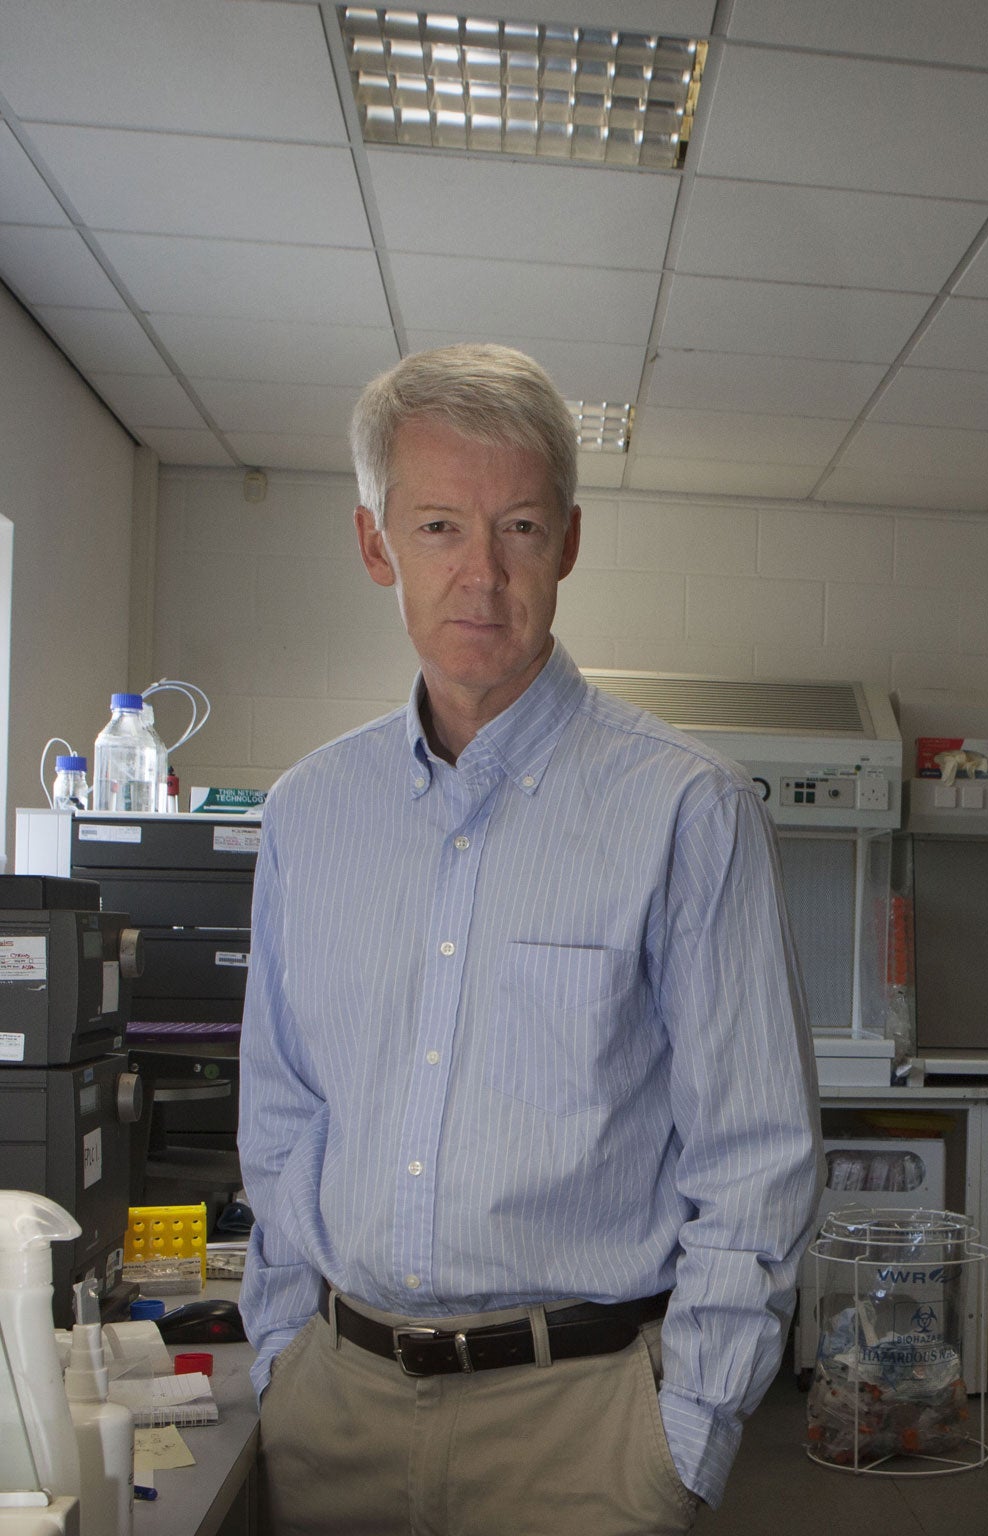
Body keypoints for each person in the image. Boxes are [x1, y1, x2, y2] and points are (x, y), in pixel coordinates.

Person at [238, 343, 820, 1535]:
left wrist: (685, 1436)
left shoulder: (686, 810)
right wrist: (281, 1359)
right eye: (439, 527)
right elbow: (283, 1115)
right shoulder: (307, 814)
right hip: (334, 1417)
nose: (483, 575)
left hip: (583, 1434)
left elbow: (754, 1156)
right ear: (375, 545)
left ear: (567, 543)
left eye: (518, 528)